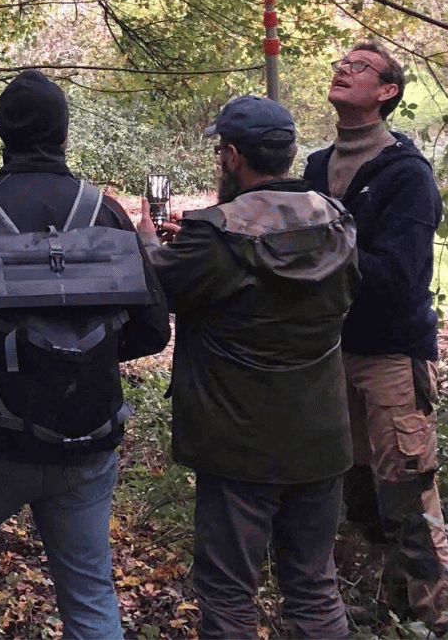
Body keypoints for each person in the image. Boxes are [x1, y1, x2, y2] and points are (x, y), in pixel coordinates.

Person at [0, 70, 170, 640]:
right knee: (89, 584)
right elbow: (151, 332)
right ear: (65, 136)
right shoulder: (106, 212)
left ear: (1, 134)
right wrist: (80, 353)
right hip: (89, 437)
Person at [137, 94, 357, 640]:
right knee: (314, 587)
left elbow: (157, 288)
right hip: (321, 437)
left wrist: (147, 238)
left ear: (233, 156)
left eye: (220, 152)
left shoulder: (216, 234)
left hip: (239, 444)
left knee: (230, 592)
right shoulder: (337, 221)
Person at [305, 40, 448, 629]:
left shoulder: (407, 176)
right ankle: (389, 611)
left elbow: (397, 275)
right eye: (340, 61)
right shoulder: (318, 166)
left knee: (411, 503)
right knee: (359, 495)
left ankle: (439, 624)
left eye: (359, 67)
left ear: (386, 93)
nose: (343, 68)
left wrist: (323, 249)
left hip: (392, 355)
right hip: (330, 352)